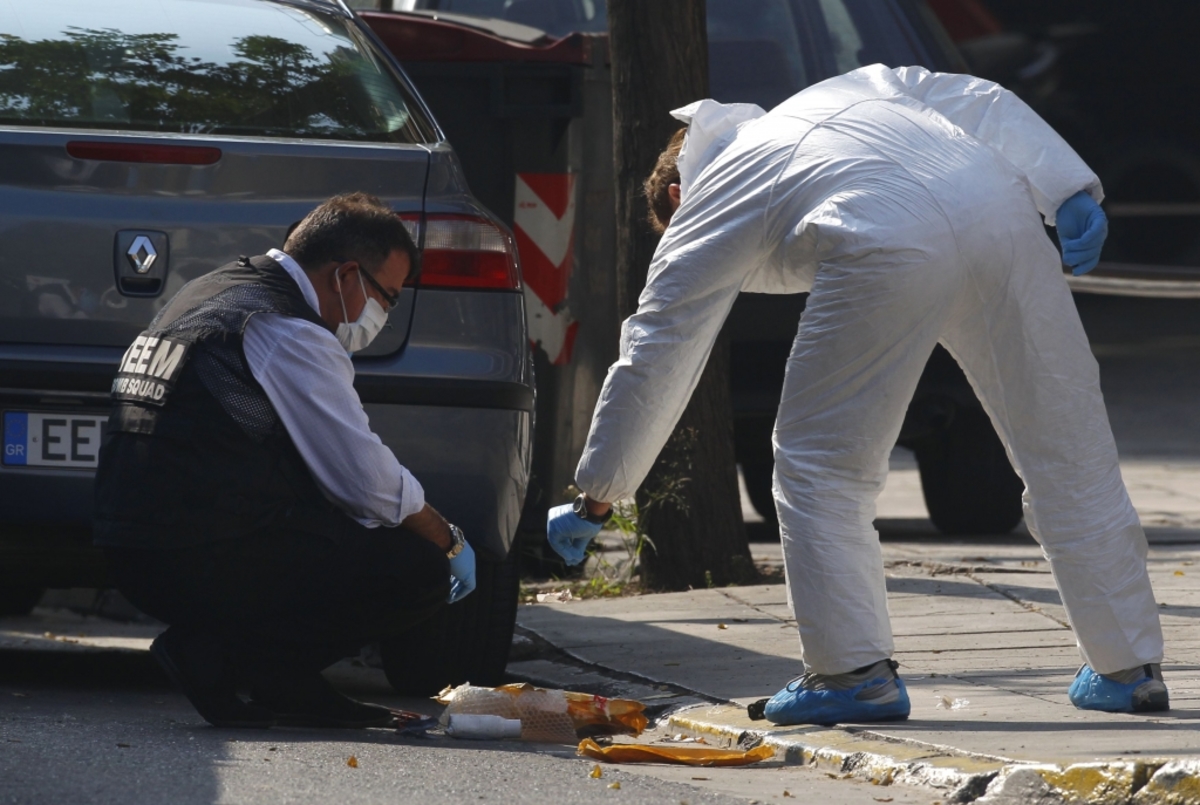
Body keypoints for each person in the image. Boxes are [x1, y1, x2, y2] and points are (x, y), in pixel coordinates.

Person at [546, 65, 1168, 724]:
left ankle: (851, 672)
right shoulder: (853, 87)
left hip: (885, 234)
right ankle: (1127, 665)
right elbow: (974, 97)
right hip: (1000, 212)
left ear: (675, 192)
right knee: (1069, 446)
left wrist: (598, 493)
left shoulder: (710, 196)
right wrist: (1065, 184)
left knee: (822, 461)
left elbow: (656, 353)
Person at [94, 193, 476, 729]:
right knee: (415, 566)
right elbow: (367, 481)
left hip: (134, 547)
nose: (384, 315)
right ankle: (216, 654)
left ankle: (284, 684)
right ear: (345, 275)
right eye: (386, 297)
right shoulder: (286, 328)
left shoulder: (213, 291)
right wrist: (448, 541)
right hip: (196, 554)